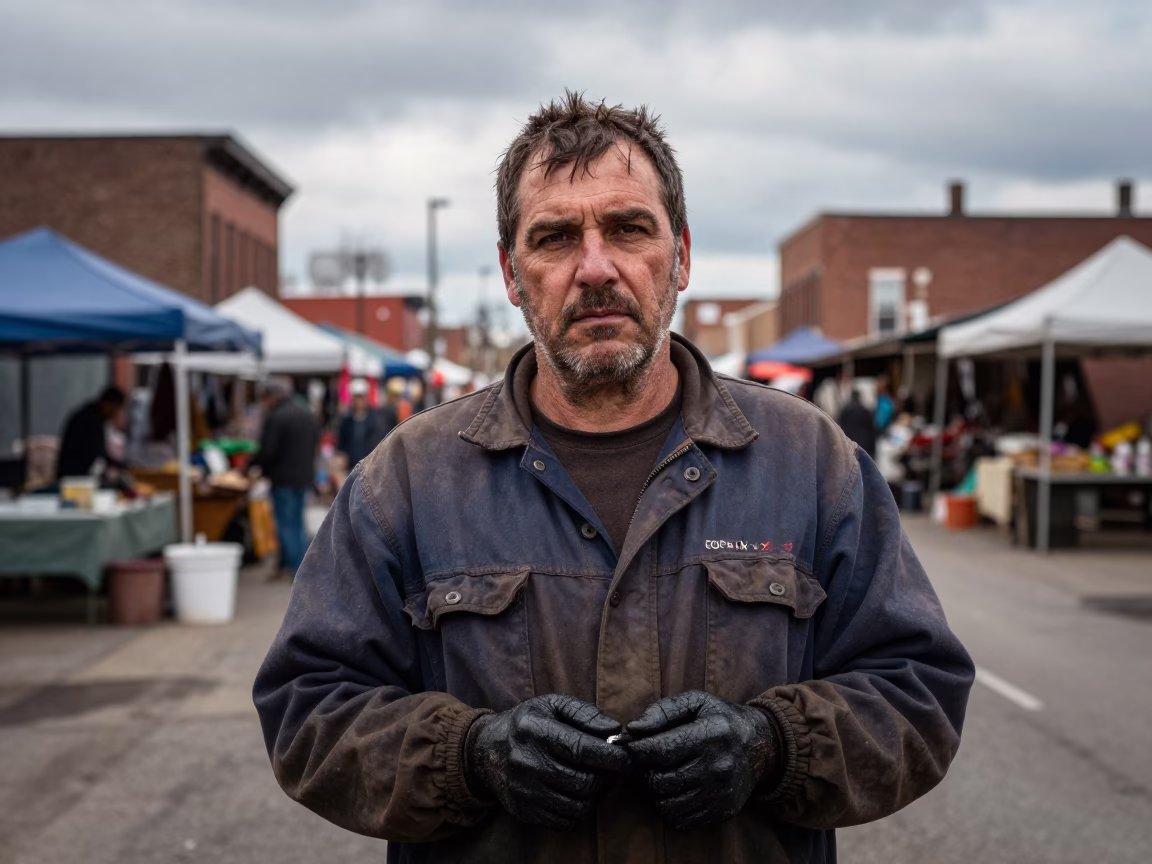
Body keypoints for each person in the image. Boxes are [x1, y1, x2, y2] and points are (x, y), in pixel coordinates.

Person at [254, 93, 973, 864]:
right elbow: (307, 709)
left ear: (682, 256)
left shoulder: (810, 462)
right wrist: (469, 757)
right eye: (555, 237)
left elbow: (918, 690)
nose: (595, 268)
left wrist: (775, 746)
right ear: (512, 273)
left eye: (629, 228)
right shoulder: (406, 478)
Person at [249, 378, 319, 578]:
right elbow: (316, 443)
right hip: (303, 477)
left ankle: (297, 570)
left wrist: (253, 466)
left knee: (286, 525)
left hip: (283, 478)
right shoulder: (305, 414)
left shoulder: (276, 417)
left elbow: (268, 450)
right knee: (297, 523)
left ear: (273, 396)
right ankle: (296, 565)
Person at [56, 385, 127, 480]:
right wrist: (121, 466)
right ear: (108, 404)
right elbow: (98, 454)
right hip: (74, 478)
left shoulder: (90, 415)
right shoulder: (91, 421)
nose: (114, 414)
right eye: (115, 409)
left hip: (75, 475)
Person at [337, 378, 397, 468]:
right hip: (351, 466)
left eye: (361, 396)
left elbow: (380, 441)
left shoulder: (376, 418)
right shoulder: (347, 420)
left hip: (371, 466)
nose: (359, 400)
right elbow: (342, 444)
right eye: (356, 396)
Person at [837, 388, 878, 458]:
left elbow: (840, 428)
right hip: (863, 446)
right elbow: (872, 431)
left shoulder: (845, 410)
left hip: (849, 445)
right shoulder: (865, 411)